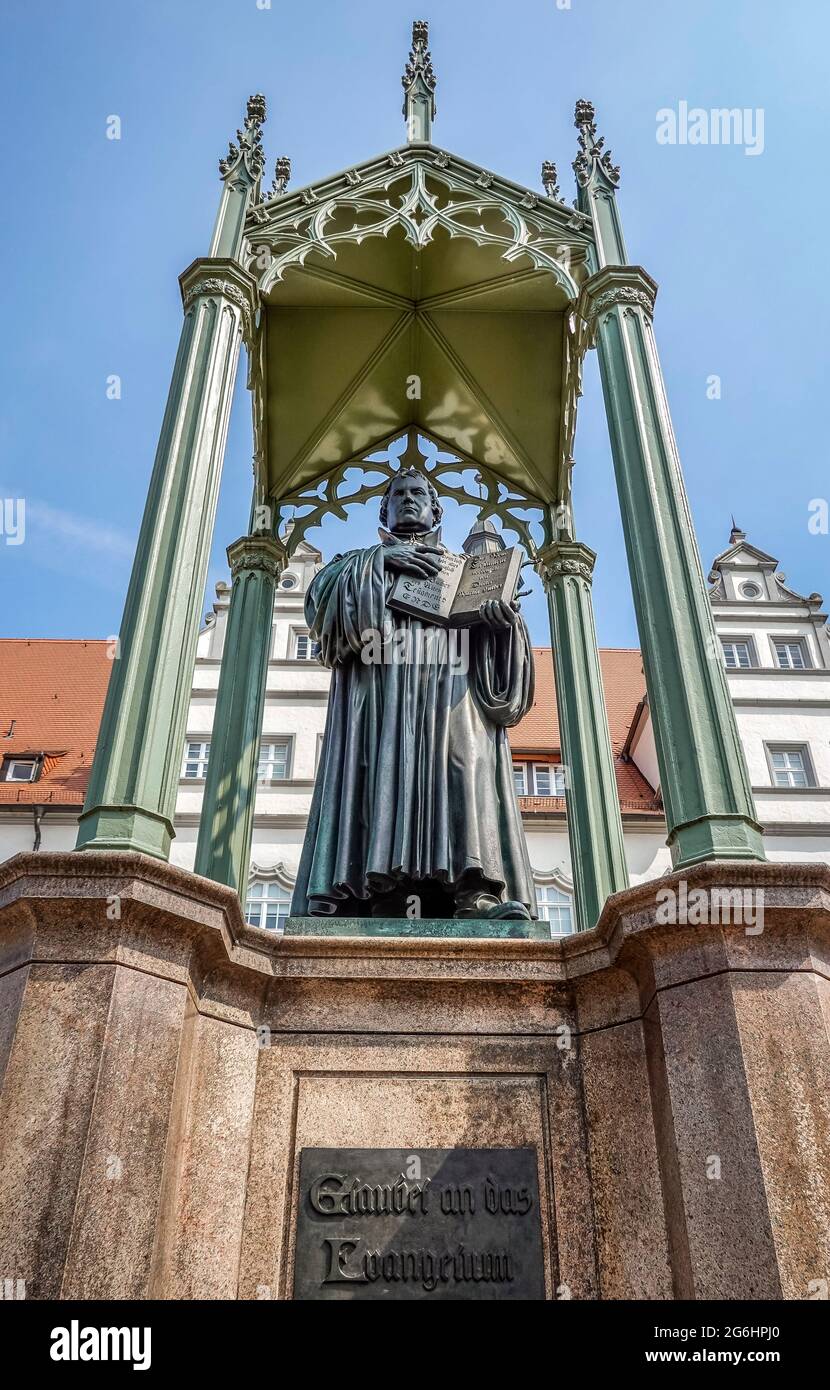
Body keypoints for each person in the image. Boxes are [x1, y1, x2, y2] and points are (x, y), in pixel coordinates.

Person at [291, 467, 537, 920]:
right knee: (378, 772)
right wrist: (380, 563)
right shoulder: (355, 562)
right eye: (398, 494)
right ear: (383, 509)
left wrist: (502, 626)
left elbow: (505, 675)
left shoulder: (468, 572)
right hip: (380, 692)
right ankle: (366, 895)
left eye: (418, 493)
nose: (408, 499)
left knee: (463, 767)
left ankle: (475, 892)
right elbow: (321, 612)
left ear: (435, 508)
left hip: (452, 689)